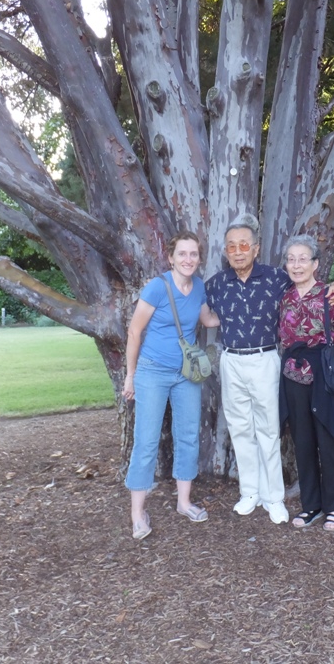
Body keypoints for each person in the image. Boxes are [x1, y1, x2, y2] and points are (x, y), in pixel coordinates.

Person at [205, 217, 334, 525]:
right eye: (232, 246)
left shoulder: (276, 278)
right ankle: (249, 493)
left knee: (268, 429)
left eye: (244, 245)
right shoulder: (215, 284)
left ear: (255, 249)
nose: (238, 251)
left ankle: (274, 498)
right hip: (231, 361)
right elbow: (204, 313)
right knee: (240, 429)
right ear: (226, 251)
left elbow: (310, 285)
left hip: (265, 359)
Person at [122, 231, 220, 540]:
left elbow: (207, 320)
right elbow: (135, 332)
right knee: (147, 440)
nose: (188, 259)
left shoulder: (199, 287)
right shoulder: (158, 287)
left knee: (188, 436)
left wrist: (243, 310)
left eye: (193, 254)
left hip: (186, 375)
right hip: (152, 372)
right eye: (182, 254)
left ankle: (184, 502)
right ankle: (138, 514)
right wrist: (130, 375)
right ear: (171, 258)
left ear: (199, 258)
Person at [278, 234, 334, 532]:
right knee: (302, 442)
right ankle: (311, 506)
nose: (296, 265)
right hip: (293, 376)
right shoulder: (285, 296)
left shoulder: (330, 295)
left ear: (315, 263)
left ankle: (333, 509)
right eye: (291, 259)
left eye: (303, 259)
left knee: (328, 440)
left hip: (325, 375)